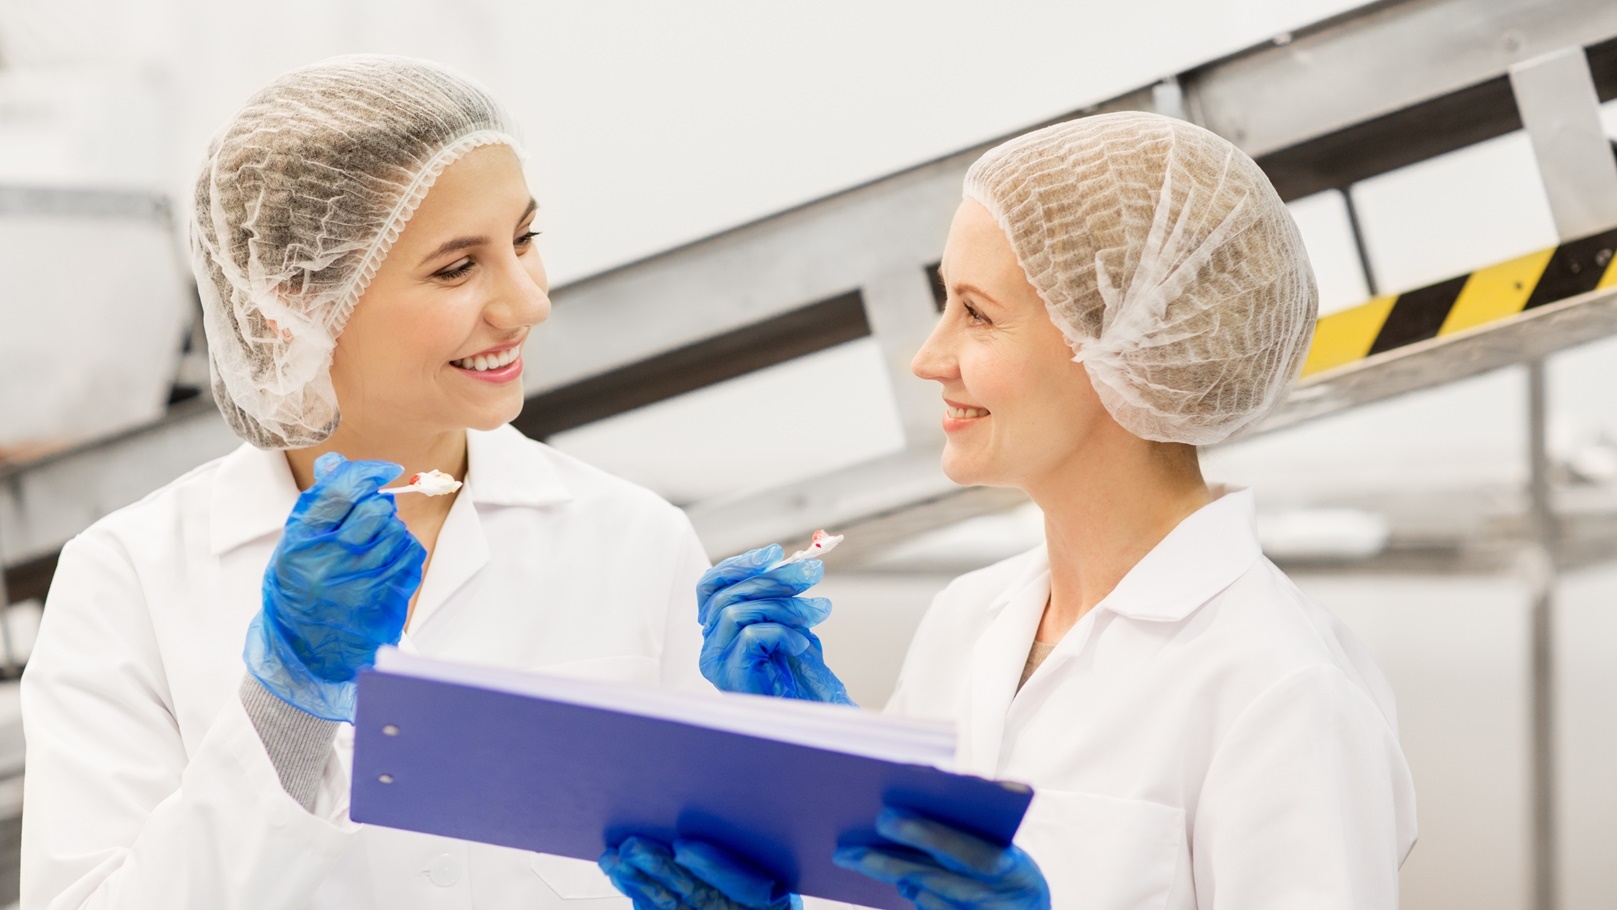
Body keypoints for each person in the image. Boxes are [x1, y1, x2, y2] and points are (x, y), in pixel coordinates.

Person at [601, 112, 1417, 908]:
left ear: (1120, 336)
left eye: (976, 314)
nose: (928, 359)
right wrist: (818, 793)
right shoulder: (968, 619)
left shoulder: (1285, 687)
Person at [21, 55, 710, 909]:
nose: (527, 303)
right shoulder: (128, 579)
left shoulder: (636, 540)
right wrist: (286, 708)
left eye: (524, 240)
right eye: (456, 268)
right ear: (291, 302)